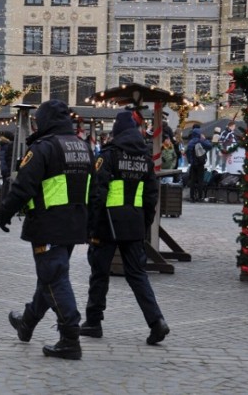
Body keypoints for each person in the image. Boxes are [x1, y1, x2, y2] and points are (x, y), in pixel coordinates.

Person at [0, 99, 95, 360]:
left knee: (53, 276)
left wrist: (4, 213)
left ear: (45, 120)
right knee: (51, 276)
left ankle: (69, 337)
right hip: (74, 224)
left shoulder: (44, 147)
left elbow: (23, 186)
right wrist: (91, 224)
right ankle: (27, 322)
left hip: (48, 224)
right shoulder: (84, 147)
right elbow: (95, 190)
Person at [81, 110, 170, 345]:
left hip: (107, 223)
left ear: (117, 132)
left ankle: (93, 321)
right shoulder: (145, 159)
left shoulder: (108, 156)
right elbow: (152, 196)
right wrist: (144, 223)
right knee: (138, 274)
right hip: (134, 224)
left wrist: (91, 226)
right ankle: (156, 321)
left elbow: (97, 193)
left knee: (99, 273)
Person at [186, 126, 213, 202]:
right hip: (200, 164)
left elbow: (187, 152)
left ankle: (192, 196)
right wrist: (204, 139)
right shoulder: (200, 141)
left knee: (193, 181)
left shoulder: (190, 142)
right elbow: (210, 146)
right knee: (200, 180)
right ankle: (200, 197)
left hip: (193, 164)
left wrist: (191, 161)